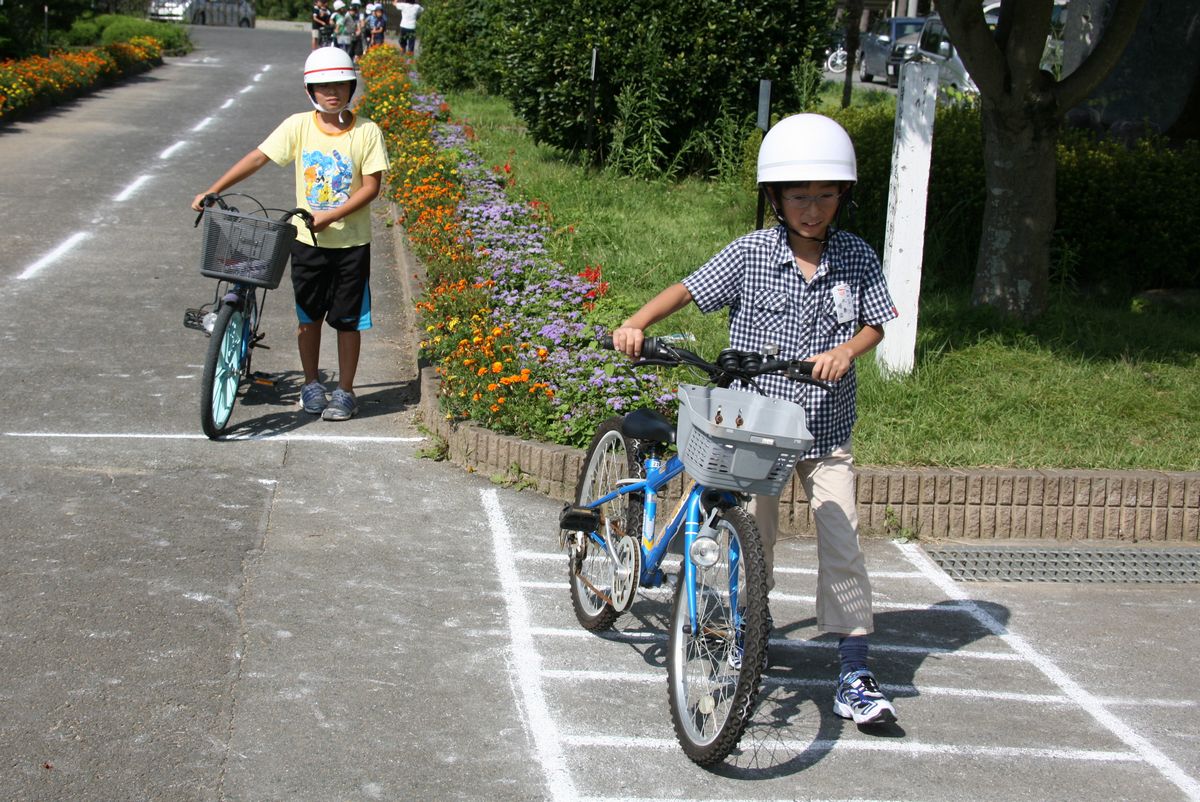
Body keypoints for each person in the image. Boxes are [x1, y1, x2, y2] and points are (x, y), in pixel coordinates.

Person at [611, 113, 900, 726]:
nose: (813, 208)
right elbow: (688, 289)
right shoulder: (751, 253)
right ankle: (742, 636)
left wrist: (848, 351)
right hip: (755, 431)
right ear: (775, 198)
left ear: (843, 196)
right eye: (799, 197)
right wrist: (637, 322)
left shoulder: (855, 256)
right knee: (750, 544)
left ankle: (853, 669)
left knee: (841, 538)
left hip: (824, 430)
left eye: (826, 196)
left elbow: (876, 320)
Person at [191, 47, 389, 422]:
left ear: (352, 86)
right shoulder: (298, 125)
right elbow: (258, 157)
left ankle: (345, 391)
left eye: (340, 85)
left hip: (351, 245)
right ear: (310, 90)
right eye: (323, 85)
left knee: (349, 322)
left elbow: (370, 188)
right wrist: (212, 188)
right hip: (306, 242)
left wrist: (331, 216)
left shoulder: (367, 131)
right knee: (307, 318)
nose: (332, 92)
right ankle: (311, 383)